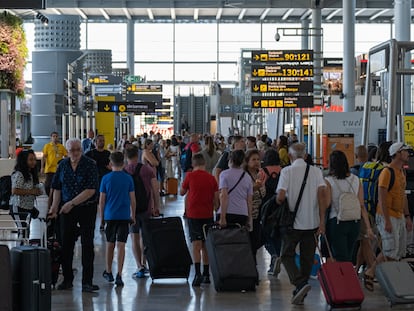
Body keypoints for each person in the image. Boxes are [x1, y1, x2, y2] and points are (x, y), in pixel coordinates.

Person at [276, 143, 327, 305]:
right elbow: (321, 197)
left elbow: (281, 196)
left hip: (293, 224)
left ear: (290, 156)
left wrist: (278, 200)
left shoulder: (286, 171)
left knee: (286, 254)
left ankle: (299, 283)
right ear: (305, 156)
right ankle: (300, 290)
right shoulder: (316, 172)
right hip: (312, 222)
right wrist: (322, 221)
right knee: (307, 257)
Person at [49, 138, 99, 293]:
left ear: (81, 150)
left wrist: (71, 203)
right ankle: (67, 279)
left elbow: (91, 190)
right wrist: (54, 208)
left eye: (78, 149)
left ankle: (87, 282)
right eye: (72, 150)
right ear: (67, 151)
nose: (75, 153)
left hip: (86, 208)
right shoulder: (62, 165)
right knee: (66, 245)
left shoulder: (90, 164)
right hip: (65, 210)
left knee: (87, 244)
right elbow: (57, 188)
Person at [363, 142, 413, 291]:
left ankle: (374, 273)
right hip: (387, 215)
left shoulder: (401, 173)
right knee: (391, 251)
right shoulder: (387, 172)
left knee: (396, 251)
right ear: (397, 154)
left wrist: (407, 216)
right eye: (405, 151)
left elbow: (402, 196)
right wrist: (386, 220)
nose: (408, 154)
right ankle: (373, 273)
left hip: (398, 216)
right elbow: (382, 198)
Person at [324, 150, 375, 263]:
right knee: (347, 255)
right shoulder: (356, 179)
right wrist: (368, 227)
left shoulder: (328, 181)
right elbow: (362, 205)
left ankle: (342, 279)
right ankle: (346, 278)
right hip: (354, 222)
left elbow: (326, 204)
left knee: (340, 257)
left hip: (337, 223)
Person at [180, 153, 219, 286]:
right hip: (207, 215)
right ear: (204, 164)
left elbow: (181, 192)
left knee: (196, 244)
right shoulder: (211, 178)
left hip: (193, 214)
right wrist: (216, 208)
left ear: (193, 164)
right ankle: (206, 274)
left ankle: (197, 274)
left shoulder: (190, 176)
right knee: (205, 245)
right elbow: (216, 198)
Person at [99, 152, 136, 287]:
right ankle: (119, 274)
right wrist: (133, 215)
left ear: (110, 162)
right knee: (121, 245)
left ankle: (109, 271)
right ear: (124, 162)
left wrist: (102, 219)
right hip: (124, 216)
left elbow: (102, 201)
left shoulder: (105, 179)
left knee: (110, 244)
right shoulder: (128, 179)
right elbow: (133, 199)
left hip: (110, 216)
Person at [124, 146, 160, 279]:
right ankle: (145, 263)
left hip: (130, 210)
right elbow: (155, 189)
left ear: (126, 156)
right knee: (145, 236)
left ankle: (139, 265)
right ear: (137, 155)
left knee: (134, 236)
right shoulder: (147, 169)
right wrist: (156, 206)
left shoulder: (124, 171)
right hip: (146, 208)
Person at [257, 148, 283, 275]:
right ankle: (277, 254)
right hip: (280, 205)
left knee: (266, 234)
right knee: (277, 233)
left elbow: (259, 188)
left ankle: (274, 255)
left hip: (266, 207)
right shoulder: (283, 171)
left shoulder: (262, 172)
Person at [217, 150, 253, 228]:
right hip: (242, 213)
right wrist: (249, 218)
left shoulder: (224, 174)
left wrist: (222, 218)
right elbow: (249, 200)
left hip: (227, 212)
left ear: (230, 160)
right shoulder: (247, 177)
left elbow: (224, 196)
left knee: (223, 238)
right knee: (238, 239)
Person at [10, 149, 43, 232]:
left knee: (26, 231)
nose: (34, 162)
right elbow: (14, 191)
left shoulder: (30, 174)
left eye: (34, 159)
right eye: (31, 160)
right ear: (24, 161)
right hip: (18, 206)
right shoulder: (19, 174)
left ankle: (25, 244)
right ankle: (20, 244)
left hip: (28, 207)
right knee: (22, 230)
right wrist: (31, 191)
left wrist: (37, 191)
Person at [244, 150, 266, 260]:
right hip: (248, 214)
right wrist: (254, 188)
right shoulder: (244, 176)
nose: (257, 162)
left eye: (258, 159)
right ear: (247, 161)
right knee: (249, 242)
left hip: (258, 214)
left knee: (256, 241)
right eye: (253, 159)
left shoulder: (260, 174)